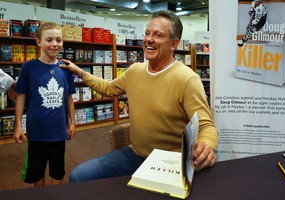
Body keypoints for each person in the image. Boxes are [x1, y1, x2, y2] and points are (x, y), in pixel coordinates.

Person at [60, 10, 218, 183]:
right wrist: (80, 72)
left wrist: (206, 145)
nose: (149, 39)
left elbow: (206, 126)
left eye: (157, 35)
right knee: (78, 176)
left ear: (174, 44)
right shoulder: (135, 71)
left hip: (170, 162)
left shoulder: (187, 79)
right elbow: (108, 88)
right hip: (136, 155)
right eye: (147, 33)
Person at [13, 22, 76, 187]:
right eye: (49, 40)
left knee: (57, 169)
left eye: (58, 40)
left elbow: (69, 97)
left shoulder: (66, 68)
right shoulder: (28, 67)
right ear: (39, 42)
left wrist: (73, 122)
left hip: (58, 130)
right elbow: (20, 97)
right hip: (36, 130)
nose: (54, 44)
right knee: (37, 169)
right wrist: (18, 125)